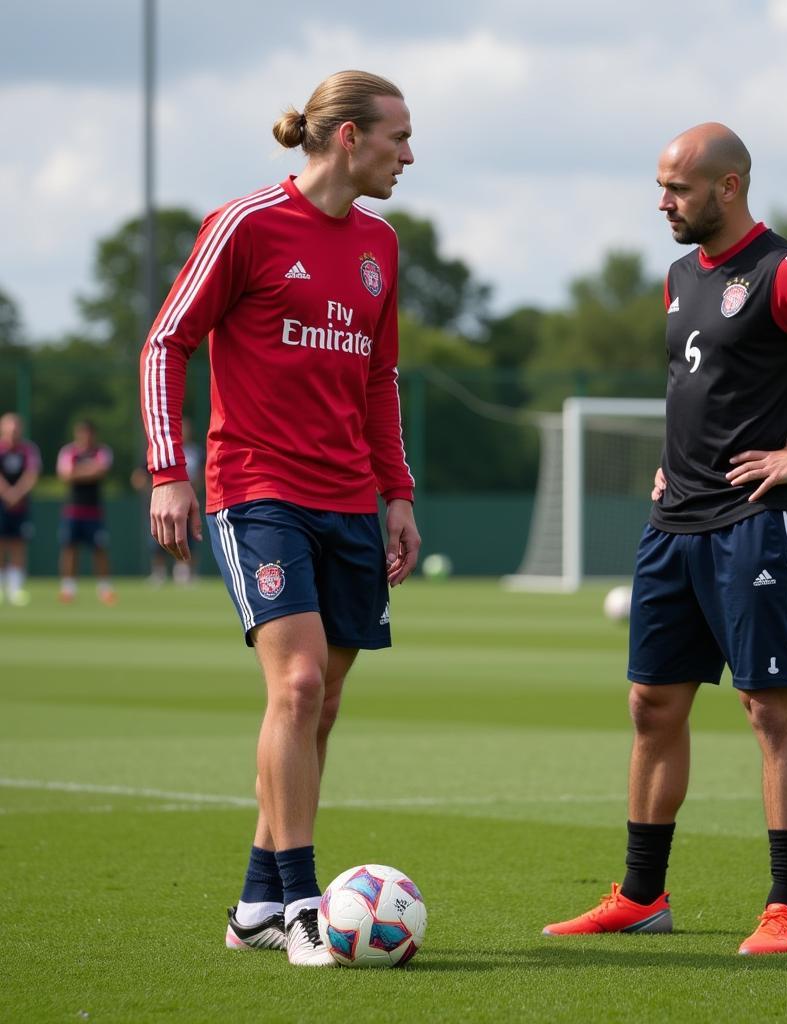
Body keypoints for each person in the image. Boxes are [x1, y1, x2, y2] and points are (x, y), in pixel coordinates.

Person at [543, 123, 787, 953]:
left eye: (677, 187)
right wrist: (673, 466)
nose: (662, 202)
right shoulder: (677, 277)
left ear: (730, 185)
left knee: (767, 707)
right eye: (661, 185)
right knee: (652, 704)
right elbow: (697, 385)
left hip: (759, 524)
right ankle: (641, 895)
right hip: (675, 523)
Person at [140, 70, 420, 967]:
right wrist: (168, 473)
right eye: (397, 138)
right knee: (296, 687)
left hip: (349, 499)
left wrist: (397, 493)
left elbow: (380, 377)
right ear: (347, 138)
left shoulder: (382, 244)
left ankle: (256, 904)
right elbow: (165, 343)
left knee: (323, 704)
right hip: (255, 488)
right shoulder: (246, 224)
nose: (408, 156)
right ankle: (304, 905)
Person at [131, 418, 205, 585]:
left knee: (189, 537)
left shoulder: (196, 452)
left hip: (186, 504)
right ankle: (159, 573)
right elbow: (138, 476)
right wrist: (155, 490)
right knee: (159, 536)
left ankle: (184, 572)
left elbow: (202, 476)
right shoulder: (160, 450)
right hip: (163, 501)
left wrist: (191, 487)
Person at [56, 419, 117, 605]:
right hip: (73, 511)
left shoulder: (102, 451)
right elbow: (65, 475)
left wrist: (78, 472)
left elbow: (101, 470)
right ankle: (68, 588)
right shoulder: (68, 452)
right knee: (69, 548)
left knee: (100, 549)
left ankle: (105, 589)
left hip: (94, 511)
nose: (85, 437)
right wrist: (88, 470)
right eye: (82, 433)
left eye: (89, 433)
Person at [0, 412, 41, 606]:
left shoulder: (28, 449)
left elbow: (31, 474)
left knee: (18, 544)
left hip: (21, 505)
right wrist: (6, 493)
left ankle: (15, 588)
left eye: (16, 427)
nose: (13, 430)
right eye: (10, 426)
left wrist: (16, 494)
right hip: (2, 503)